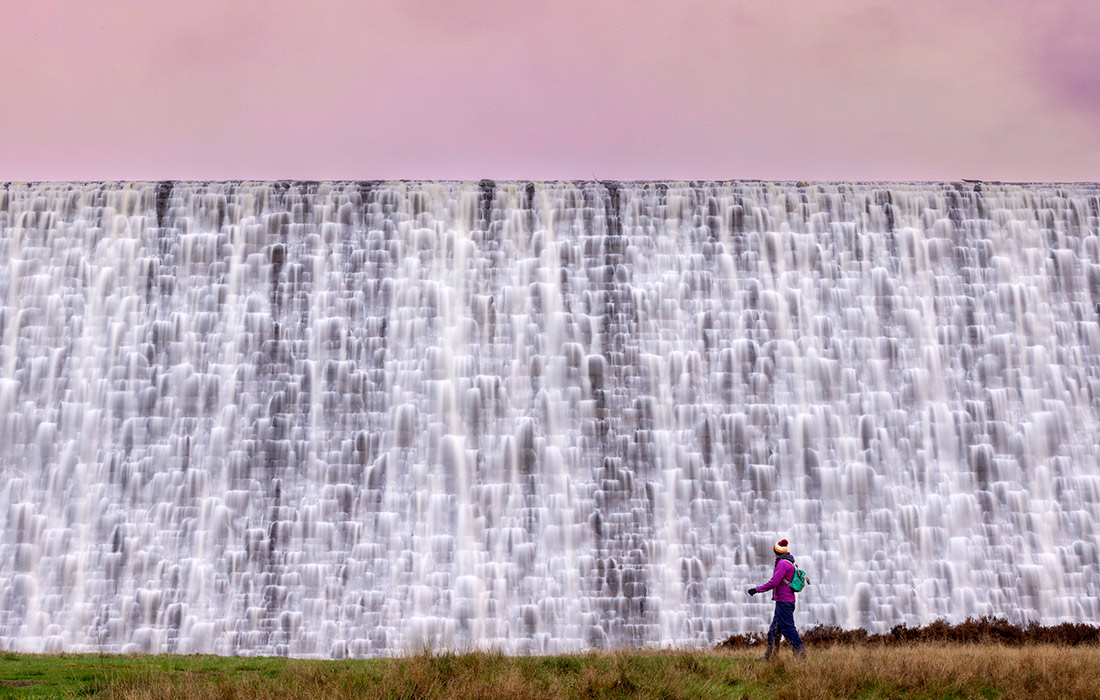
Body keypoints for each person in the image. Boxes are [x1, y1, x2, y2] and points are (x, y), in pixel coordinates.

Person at [747, 538, 806, 659]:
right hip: (783, 601)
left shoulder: (783, 564)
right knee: (774, 630)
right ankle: (771, 656)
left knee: (788, 629)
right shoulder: (787, 562)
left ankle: (800, 654)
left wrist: (757, 589)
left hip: (784, 601)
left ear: (776, 552)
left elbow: (774, 582)